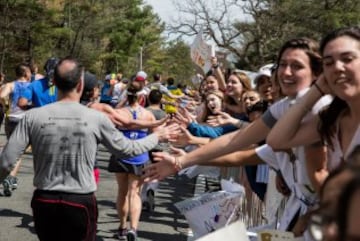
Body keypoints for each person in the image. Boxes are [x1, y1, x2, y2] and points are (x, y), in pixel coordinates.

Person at [0, 57, 171, 241]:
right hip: (80, 200)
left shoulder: (32, 117)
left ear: (54, 83)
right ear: (80, 85)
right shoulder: (96, 118)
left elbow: (7, 161)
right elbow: (127, 150)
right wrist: (156, 137)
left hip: (45, 199)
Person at [267, 26, 360, 175]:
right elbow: (276, 141)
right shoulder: (332, 119)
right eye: (328, 63)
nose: (337, 67)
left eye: (347, 59)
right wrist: (316, 90)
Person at [0, 63, 31, 196]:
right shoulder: (31, 86)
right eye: (29, 72)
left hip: (11, 119)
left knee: (10, 147)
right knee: (19, 152)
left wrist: (7, 106)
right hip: (24, 120)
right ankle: (10, 179)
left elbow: (1, 96)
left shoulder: (10, 85)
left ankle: (8, 177)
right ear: (25, 73)